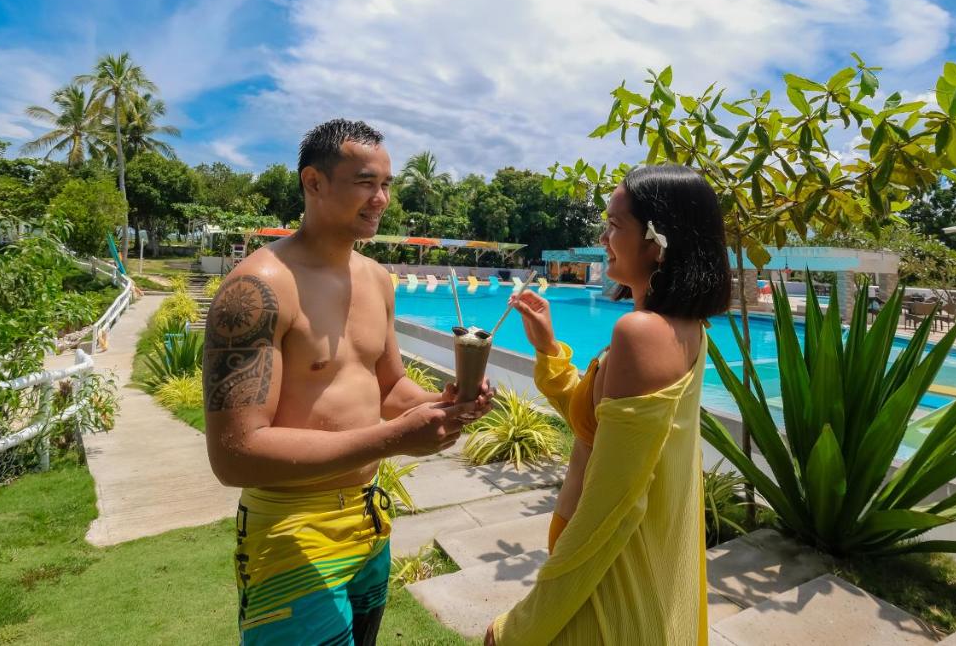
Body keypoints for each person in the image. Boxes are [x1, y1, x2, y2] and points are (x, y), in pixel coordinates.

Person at [202, 119, 492, 646]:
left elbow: (389, 389)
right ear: (313, 182)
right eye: (365, 183)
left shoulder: (377, 279)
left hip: (368, 519)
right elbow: (235, 455)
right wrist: (396, 438)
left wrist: (446, 403)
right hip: (292, 529)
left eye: (386, 185)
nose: (381, 199)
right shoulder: (258, 289)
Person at [487, 164, 732, 645]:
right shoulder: (685, 330)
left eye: (615, 225)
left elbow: (611, 507)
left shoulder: (642, 334)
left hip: (606, 584)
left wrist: (520, 628)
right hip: (612, 568)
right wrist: (548, 348)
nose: (603, 238)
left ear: (656, 242)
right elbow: (597, 429)